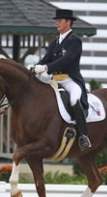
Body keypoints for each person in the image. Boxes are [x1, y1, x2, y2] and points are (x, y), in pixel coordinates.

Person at [33, 9, 91, 151]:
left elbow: (67, 60)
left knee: (73, 100)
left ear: (68, 22)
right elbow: (46, 59)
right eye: (56, 21)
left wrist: (45, 68)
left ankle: (83, 136)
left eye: (60, 20)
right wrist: (35, 67)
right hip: (55, 81)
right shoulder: (54, 42)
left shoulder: (74, 41)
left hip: (70, 80)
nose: (57, 23)